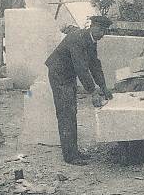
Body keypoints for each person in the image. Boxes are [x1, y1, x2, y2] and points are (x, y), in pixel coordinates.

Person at [45, 15, 114, 165]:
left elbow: (94, 65)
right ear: (92, 26)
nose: (102, 34)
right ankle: (70, 156)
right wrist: (93, 92)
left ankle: (73, 151)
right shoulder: (77, 39)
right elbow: (81, 68)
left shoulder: (91, 40)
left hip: (68, 75)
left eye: (105, 31)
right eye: (100, 30)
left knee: (71, 111)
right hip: (59, 74)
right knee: (66, 113)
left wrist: (103, 87)